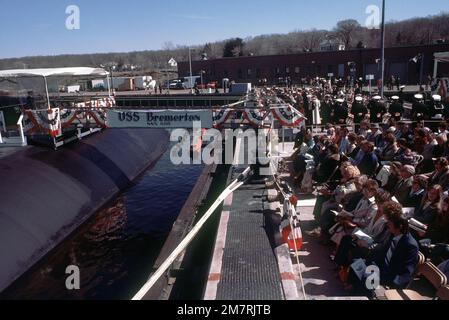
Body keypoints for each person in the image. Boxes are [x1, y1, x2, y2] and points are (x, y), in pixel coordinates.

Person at [368, 204, 419, 289]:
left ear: (399, 227)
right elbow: (383, 251)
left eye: (390, 224)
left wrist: (393, 284)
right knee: (358, 265)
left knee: (367, 280)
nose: (388, 226)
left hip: (391, 276)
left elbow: (407, 271)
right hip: (381, 269)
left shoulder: (410, 245)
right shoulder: (393, 235)